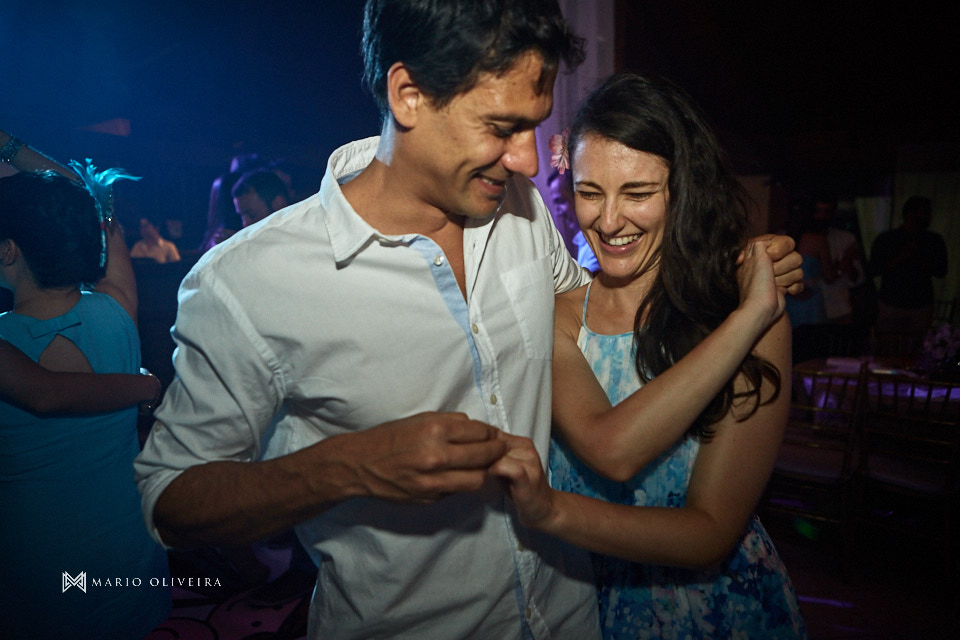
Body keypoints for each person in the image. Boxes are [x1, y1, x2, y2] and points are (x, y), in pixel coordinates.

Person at [134, 2, 803, 639]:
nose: (531, 163)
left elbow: (608, 307)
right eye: (504, 127)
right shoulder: (247, 283)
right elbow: (169, 498)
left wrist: (726, 267)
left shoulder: (522, 213)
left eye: (536, 127)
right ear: (409, 96)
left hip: (573, 619)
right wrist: (344, 469)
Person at [492, 73, 807, 639]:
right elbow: (610, 448)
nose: (608, 221)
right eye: (590, 192)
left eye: (637, 193)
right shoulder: (560, 314)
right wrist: (748, 316)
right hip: (577, 607)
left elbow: (710, 530)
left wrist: (751, 314)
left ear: (684, 191)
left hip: (716, 613)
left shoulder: (748, 314)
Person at [0, 142, 170, 638]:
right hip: (126, 543)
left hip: (40, 560)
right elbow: (87, 201)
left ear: (9, 250)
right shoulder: (116, 307)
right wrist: (10, 144)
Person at [868, 195, 948, 351]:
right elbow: (874, 269)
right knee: (888, 349)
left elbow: (941, 270)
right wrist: (900, 257)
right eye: (924, 212)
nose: (928, 217)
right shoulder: (888, 239)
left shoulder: (933, 241)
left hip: (920, 304)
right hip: (891, 303)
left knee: (915, 351)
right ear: (910, 214)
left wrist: (918, 259)